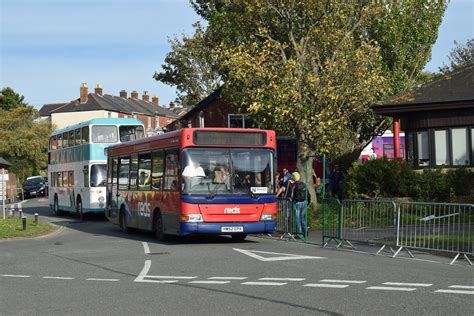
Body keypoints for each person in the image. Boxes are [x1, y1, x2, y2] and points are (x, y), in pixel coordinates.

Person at [289, 172, 310, 236]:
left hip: (297, 202)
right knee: (302, 217)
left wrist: (292, 201)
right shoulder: (303, 184)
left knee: (297, 218)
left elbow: (292, 195)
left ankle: (299, 233)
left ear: (293, 177)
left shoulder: (294, 185)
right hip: (304, 202)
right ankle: (305, 230)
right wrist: (308, 202)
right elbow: (308, 194)